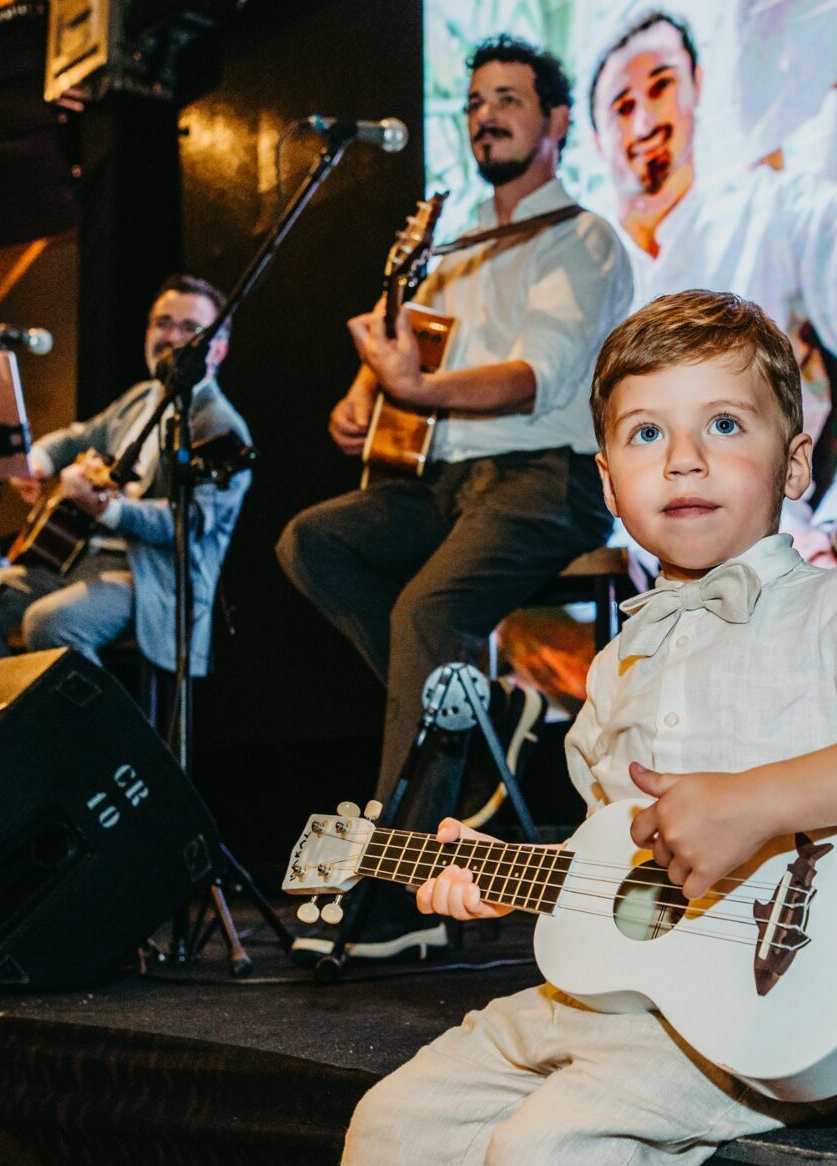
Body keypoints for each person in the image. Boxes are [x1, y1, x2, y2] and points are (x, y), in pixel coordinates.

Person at [331, 290, 837, 1166]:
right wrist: (504, 868)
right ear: (608, 478)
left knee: (540, 1158)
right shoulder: (617, 666)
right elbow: (622, 858)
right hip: (604, 995)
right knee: (392, 1122)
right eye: (648, 432)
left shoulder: (835, 605)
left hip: (752, 1014)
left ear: (796, 460)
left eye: (724, 424)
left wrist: (757, 799)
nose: (682, 458)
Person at [276, 34, 634, 956]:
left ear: (556, 122)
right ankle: (473, 706)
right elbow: (408, 355)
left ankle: (400, 895)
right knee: (312, 541)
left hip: (547, 479)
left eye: (511, 99)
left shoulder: (582, 236)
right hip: (444, 480)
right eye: (477, 102)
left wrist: (418, 388)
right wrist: (365, 399)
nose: (489, 115)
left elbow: (536, 377)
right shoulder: (453, 243)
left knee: (428, 611)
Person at [589, 9, 837, 569]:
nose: (643, 121)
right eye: (621, 106)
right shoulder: (586, 270)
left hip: (778, 554)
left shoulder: (778, 211)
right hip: (629, 573)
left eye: (661, 86)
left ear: (699, 89)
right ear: (596, 139)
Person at [0, 274, 251, 675]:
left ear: (217, 349)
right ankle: (5, 729)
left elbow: (189, 522)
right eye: (162, 323)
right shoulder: (140, 398)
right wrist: (37, 462)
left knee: (50, 622)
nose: (171, 336)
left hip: (152, 580)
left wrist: (109, 511)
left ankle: (92, 738)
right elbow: (79, 435)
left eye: (189, 328)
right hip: (77, 562)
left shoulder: (220, 425)